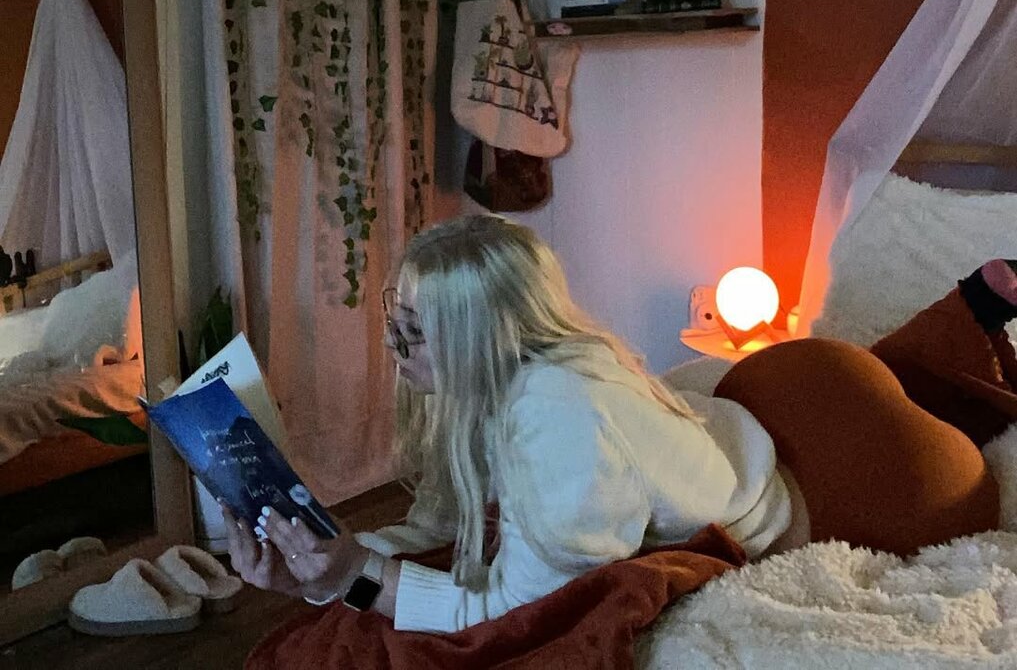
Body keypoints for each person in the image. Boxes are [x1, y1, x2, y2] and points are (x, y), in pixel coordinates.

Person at [223, 215, 1005, 634]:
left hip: (871, 485)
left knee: (949, 425)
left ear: (479, 338)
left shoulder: (561, 422)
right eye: (393, 322)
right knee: (897, 374)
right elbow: (439, 527)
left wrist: (354, 580)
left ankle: (974, 320)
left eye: (413, 332)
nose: (394, 349)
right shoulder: (519, 369)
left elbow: (510, 610)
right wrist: (328, 561)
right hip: (774, 394)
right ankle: (973, 308)